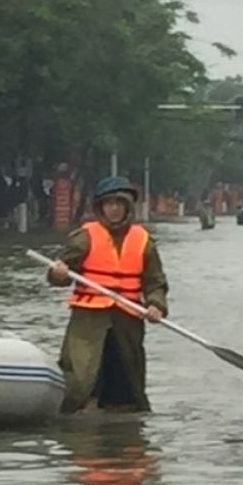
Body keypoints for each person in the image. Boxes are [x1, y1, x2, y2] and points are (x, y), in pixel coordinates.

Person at [46, 176, 169, 414]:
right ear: (100, 207)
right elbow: (59, 273)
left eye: (119, 204)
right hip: (88, 322)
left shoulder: (144, 242)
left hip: (127, 321)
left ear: (127, 207)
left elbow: (156, 282)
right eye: (108, 204)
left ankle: (123, 421)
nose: (113, 209)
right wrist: (58, 274)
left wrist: (156, 305)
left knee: (128, 380)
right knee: (82, 376)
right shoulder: (84, 238)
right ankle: (79, 414)